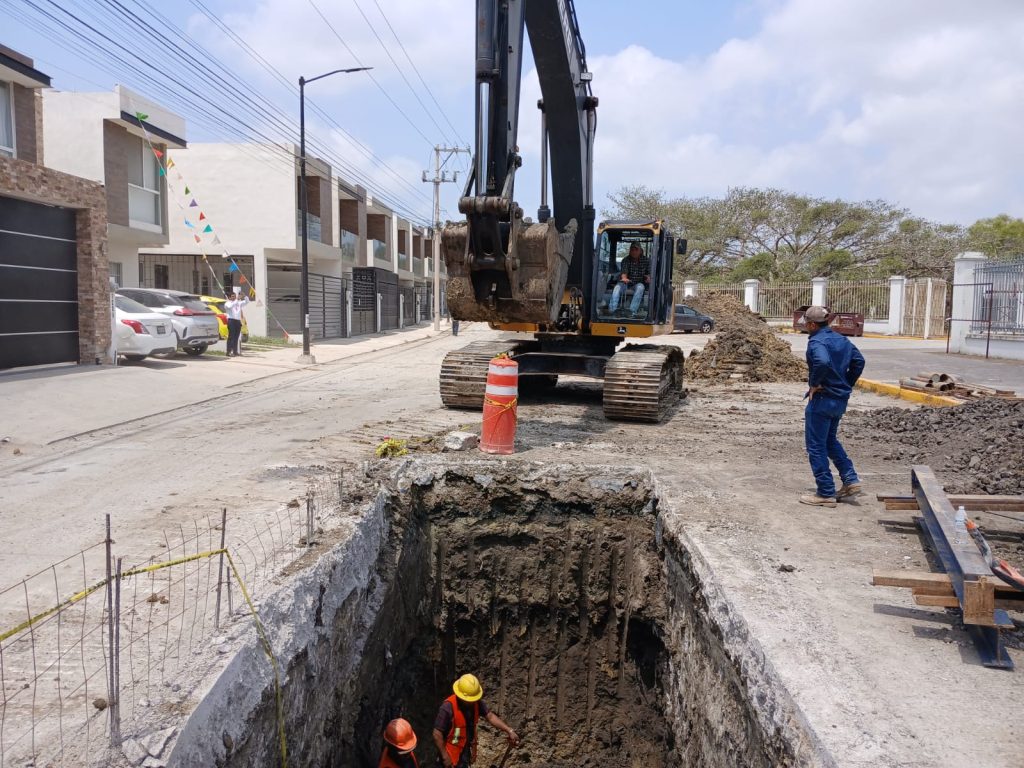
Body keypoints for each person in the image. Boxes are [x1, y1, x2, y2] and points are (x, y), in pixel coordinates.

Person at [799, 305, 866, 507]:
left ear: (812, 324)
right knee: (829, 440)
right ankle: (850, 479)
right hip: (839, 399)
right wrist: (846, 383)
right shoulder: (841, 339)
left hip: (823, 399)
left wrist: (815, 384)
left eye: (806, 324)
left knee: (816, 446)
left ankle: (825, 492)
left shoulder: (816, 342)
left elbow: (822, 361)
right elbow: (859, 361)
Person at [432, 674, 518, 768]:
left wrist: (509, 730)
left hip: (464, 752)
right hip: (449, 753)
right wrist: (445, 757)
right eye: (469, 699)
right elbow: (437, 734)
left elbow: (490, 716)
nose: (472, 702)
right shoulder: (448, 707)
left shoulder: (476, 703)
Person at [608, 243, 650, 317]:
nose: (634, 252)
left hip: (638, 283)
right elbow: (624, 272)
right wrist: (624, 278)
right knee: (617, 287)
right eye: (632, 250)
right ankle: (612, 310)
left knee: (640, 287)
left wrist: (648, 277)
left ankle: (632, 312)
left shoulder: (646, 260)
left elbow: (649, 273)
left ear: (640, 251)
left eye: (636, 250)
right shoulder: (626, 260)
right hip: (626, 283)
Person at [224, 289, 249, 357]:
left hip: (237, 321)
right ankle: (228, 352)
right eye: (232, 296)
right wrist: (236, 300)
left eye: (235, 296)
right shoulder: (227, 303)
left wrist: (244, 296)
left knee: (236, 337)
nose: (234, 297)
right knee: (231, 337)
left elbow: (246, 302)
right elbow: (230, 306)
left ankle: (235, 351)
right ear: (229, 297)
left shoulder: (238, 303)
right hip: (231, 320)